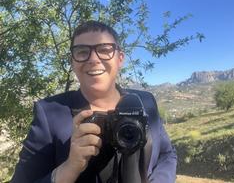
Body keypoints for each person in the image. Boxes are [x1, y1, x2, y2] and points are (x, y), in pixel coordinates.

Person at [11, 20, 177, 183]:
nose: (93, 59)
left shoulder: (146, 101)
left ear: (120, 59)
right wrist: (70, 167)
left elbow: (167, 154)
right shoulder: (49, 114)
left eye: (104, 50)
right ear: (72, 62)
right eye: (82, 52)